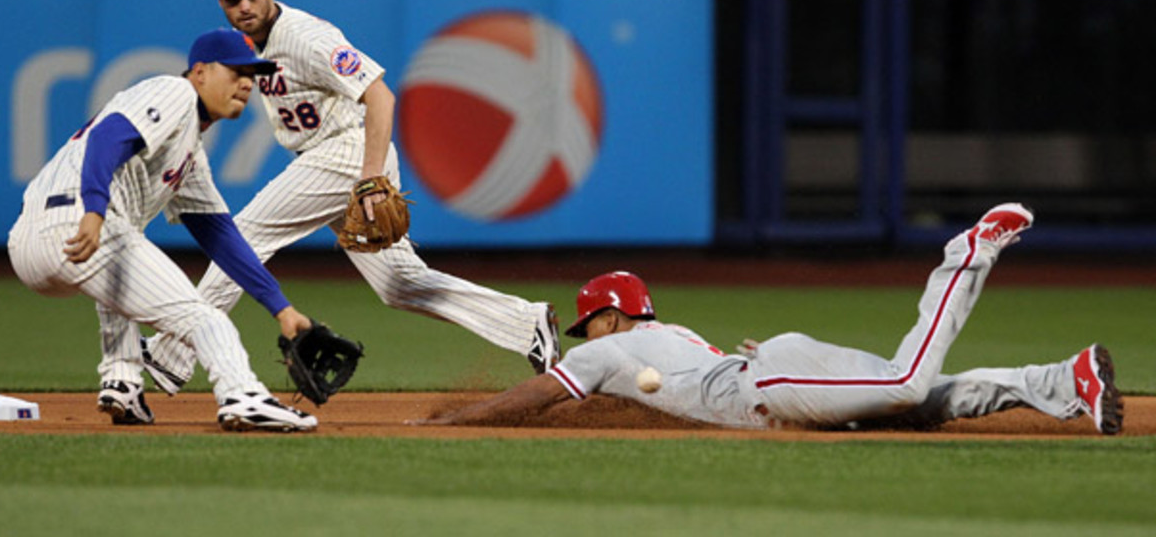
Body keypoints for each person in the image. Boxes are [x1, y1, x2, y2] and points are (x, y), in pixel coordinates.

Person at [140, 0, 559, 396]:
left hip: (347, 153)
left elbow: (380, 97)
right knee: (399, 283)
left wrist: (370, 179)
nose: (242, 6)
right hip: (326, 157)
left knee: (244, 235)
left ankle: (174, 354)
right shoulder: (251, 47)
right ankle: (526, 324)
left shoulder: (306, 37)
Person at [412, 204, 1125, 435]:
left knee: (907, 383)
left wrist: (459, 418)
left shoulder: (609, 352)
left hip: (770, 383)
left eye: (586, 322)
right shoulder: (673, 335)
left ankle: (964, 256)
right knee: (933, 403)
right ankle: (1067, 381)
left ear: (611, 315)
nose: (582, 335)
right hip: (776, 376)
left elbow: (537, 395)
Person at [7, 29, 321, 432]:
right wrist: (94, 209)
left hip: (34, 244)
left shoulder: (189, 147)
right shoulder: (175, 92)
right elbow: (107, 137)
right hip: (75, 222)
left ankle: (122, 383)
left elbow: (218, 234)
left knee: (122, 260)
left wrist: (281, 307)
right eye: (236, 71)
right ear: (201, 72)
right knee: (203, 318)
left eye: (252, 74)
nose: (246, 83)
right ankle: (243, 396)